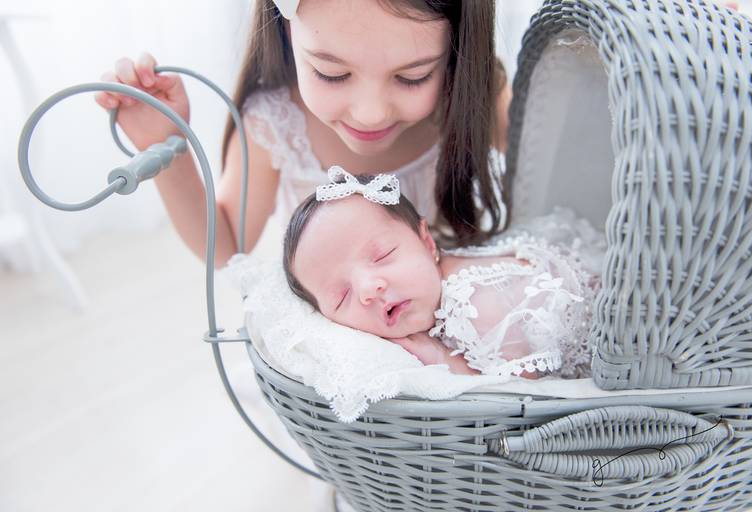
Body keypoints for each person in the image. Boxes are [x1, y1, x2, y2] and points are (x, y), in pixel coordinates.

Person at [95, 0, 512, 268]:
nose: (370, 114)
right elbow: (224, 246)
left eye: (412, 77)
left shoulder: (476, 96)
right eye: (332, 73)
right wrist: (164, 145)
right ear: (287, 32)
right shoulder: (276, 123)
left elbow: (546, 172)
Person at [284, 168, 598, 381]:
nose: (369, 288)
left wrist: (445, 361)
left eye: (382, 256)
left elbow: (522, 395)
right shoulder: (429, 285)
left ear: (427, 241)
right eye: (341, 297)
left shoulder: (477, 307)